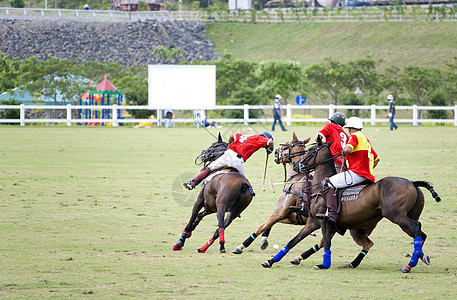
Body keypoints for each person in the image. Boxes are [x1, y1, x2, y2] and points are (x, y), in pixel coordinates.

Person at [316, 117, 379, 223]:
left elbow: (348, 149)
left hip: (356, 173)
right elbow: (376, 159)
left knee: (327, 183)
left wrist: (344, 151)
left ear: (350, 129)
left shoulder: (354, 136)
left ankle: (332, 212)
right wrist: (367, 169)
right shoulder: (365, 140)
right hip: (368, 176)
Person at [289, 112, 348, 214]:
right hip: (342, 165)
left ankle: (304, 206)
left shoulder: (330, 126)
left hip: (331, 163)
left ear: (333, 121)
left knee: (310, 179)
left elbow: (318, 136)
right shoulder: (345, 134)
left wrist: (320, 144)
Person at [183, 132, 275, 194]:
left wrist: (230, 145)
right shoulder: (261, 138)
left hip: (227, 154)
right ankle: (247, 195)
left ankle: (192, 183)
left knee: (210, 168)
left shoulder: (247, 135)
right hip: (237, 160)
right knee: (245, 182)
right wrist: (270, 148)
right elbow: (270, 142)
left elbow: (231, 136)